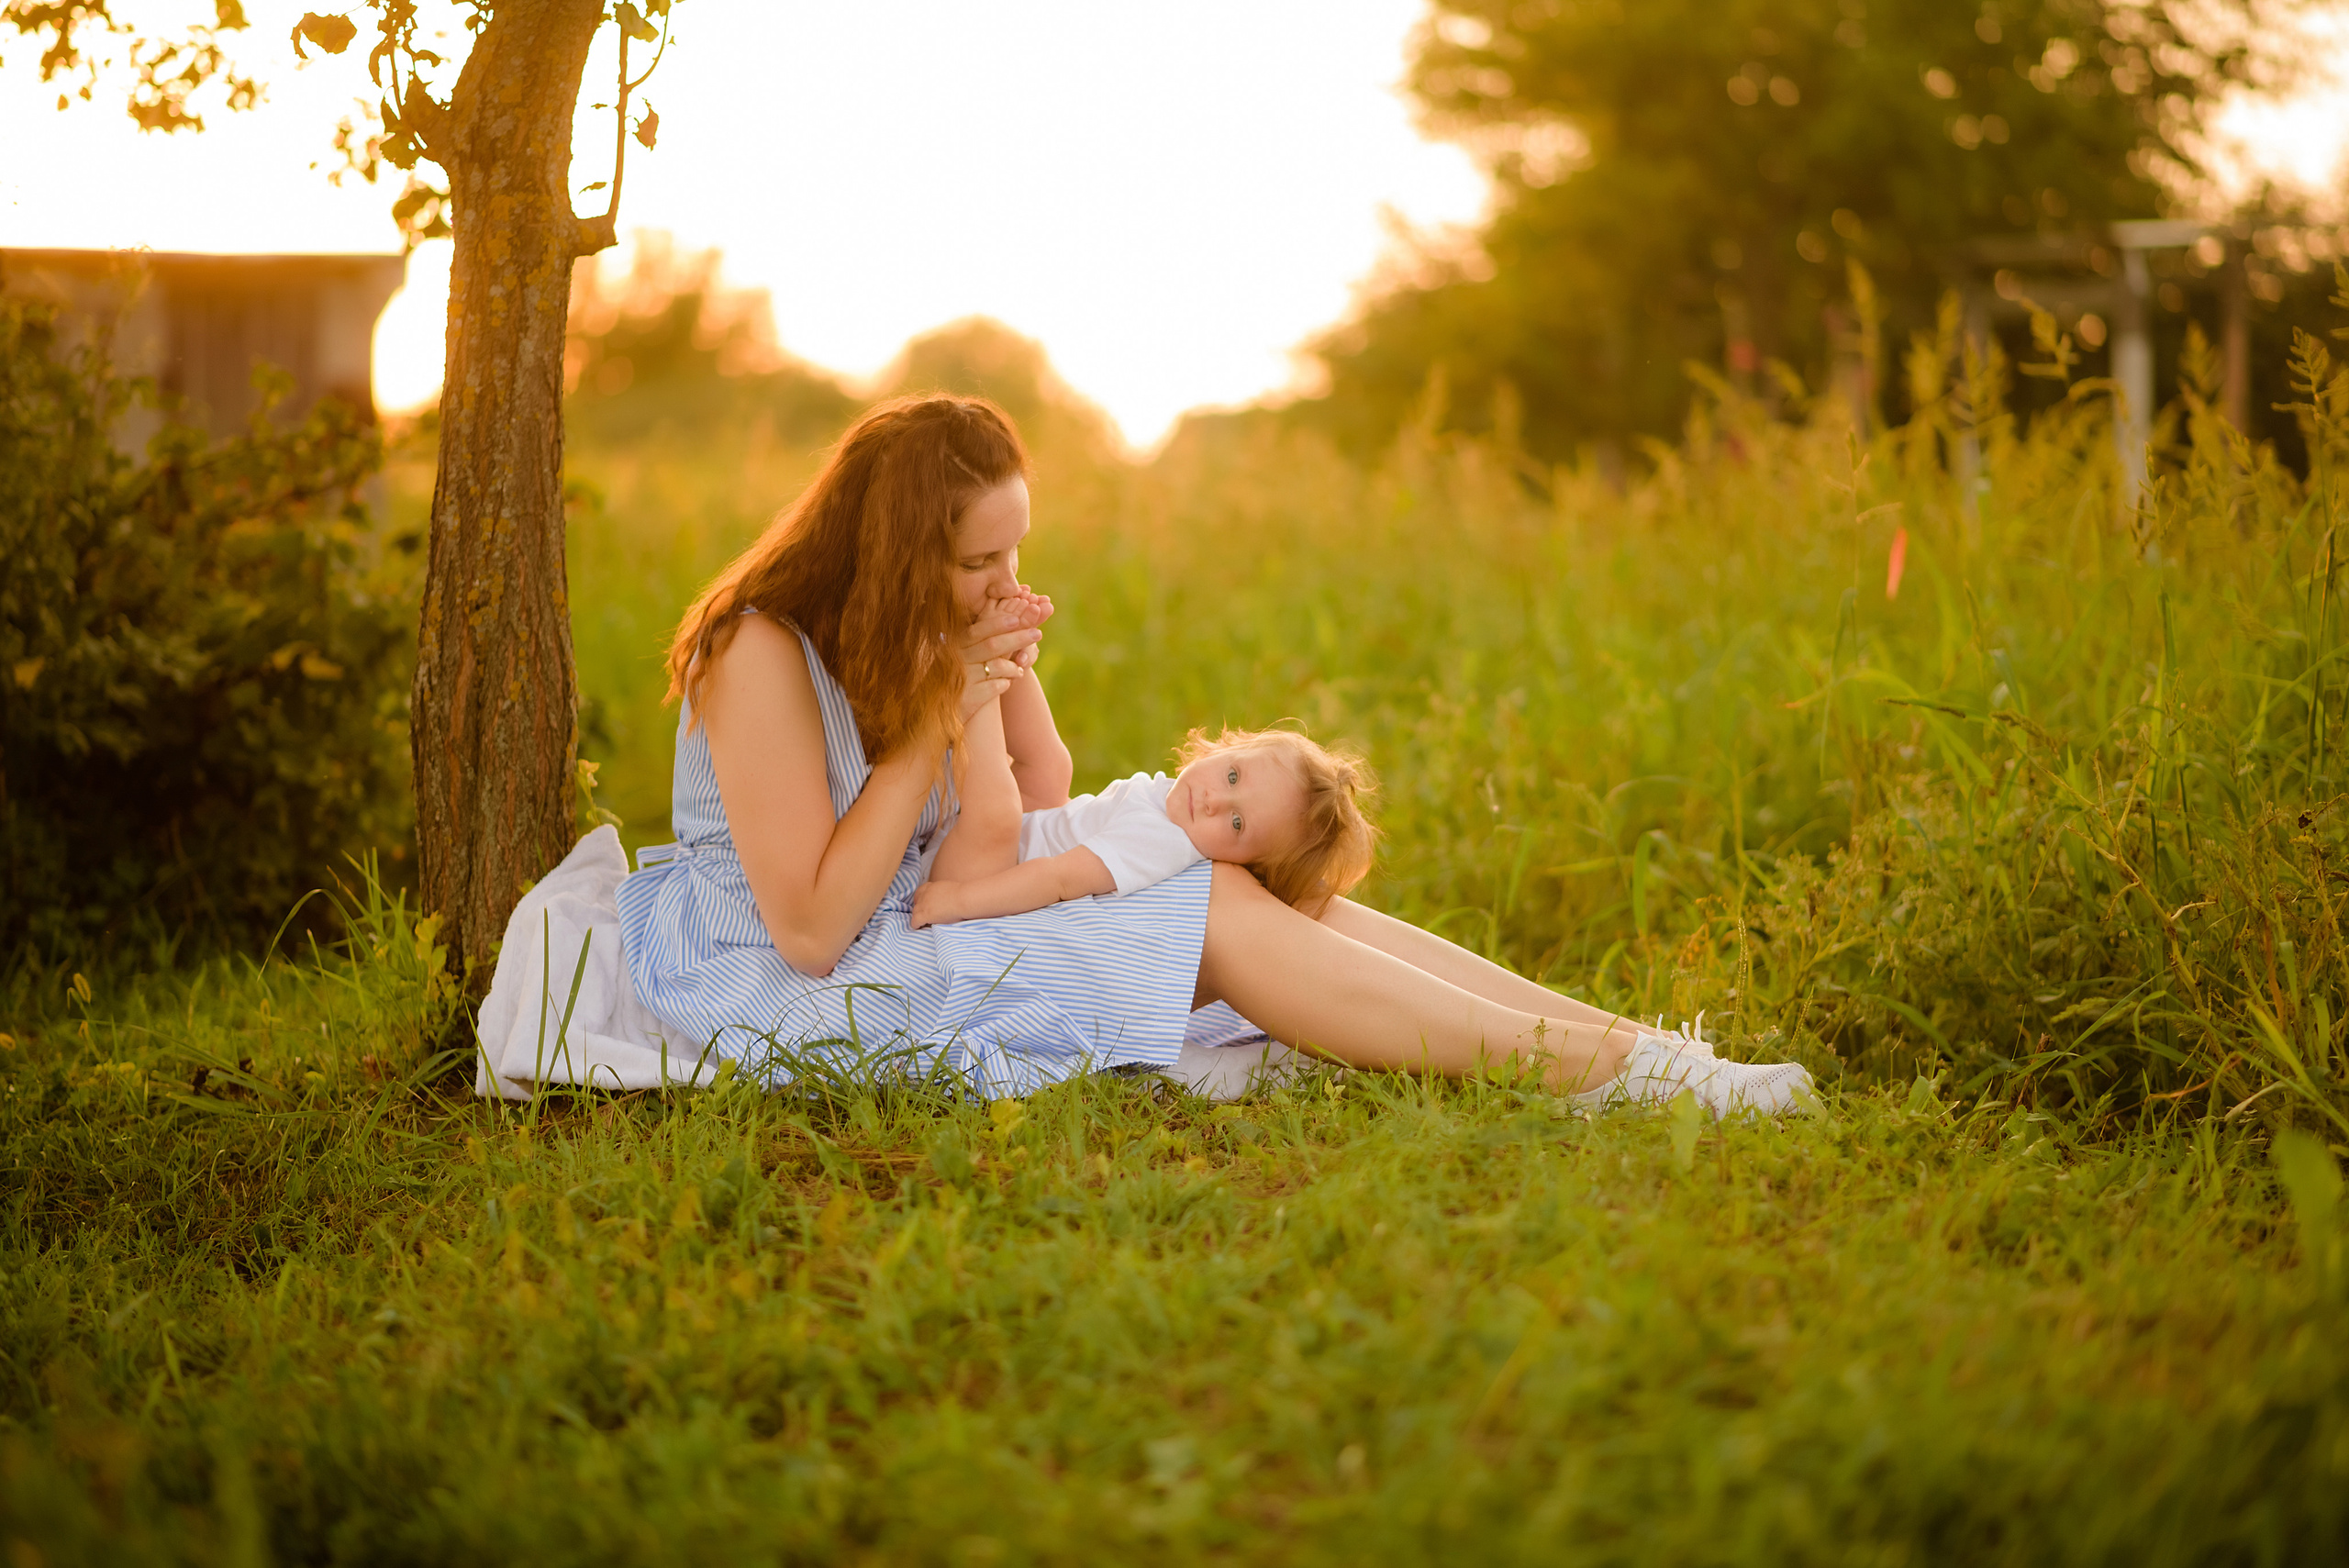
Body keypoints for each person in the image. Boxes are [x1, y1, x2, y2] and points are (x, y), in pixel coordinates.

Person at [615, 393, 1813, 1113]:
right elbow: (813, 930)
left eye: (1014, 555)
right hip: (788, 979)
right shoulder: (761, 650)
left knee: (1221, 878)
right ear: (895, 549)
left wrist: (1000, 685)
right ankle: (1610, 1082)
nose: (1007, 585)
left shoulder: (913, 623)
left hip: (918, 914)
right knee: (1204, 907)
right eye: (982, 564)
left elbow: (1037, 803)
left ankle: (1646, 1051)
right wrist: (933, 719)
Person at [908, 726, 1377, 930]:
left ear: (1242, 865)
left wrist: (958, 900)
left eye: (1236, 823)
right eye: (1233, 775)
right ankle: (1015, 650)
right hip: (995, 846)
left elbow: (1057, 880)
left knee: (997, 810)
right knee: (1051, 766)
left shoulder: (1165, 842)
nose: (1214, 800)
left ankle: (983, 674)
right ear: (1231, 747)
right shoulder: (1177, 802)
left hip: (981, 879)